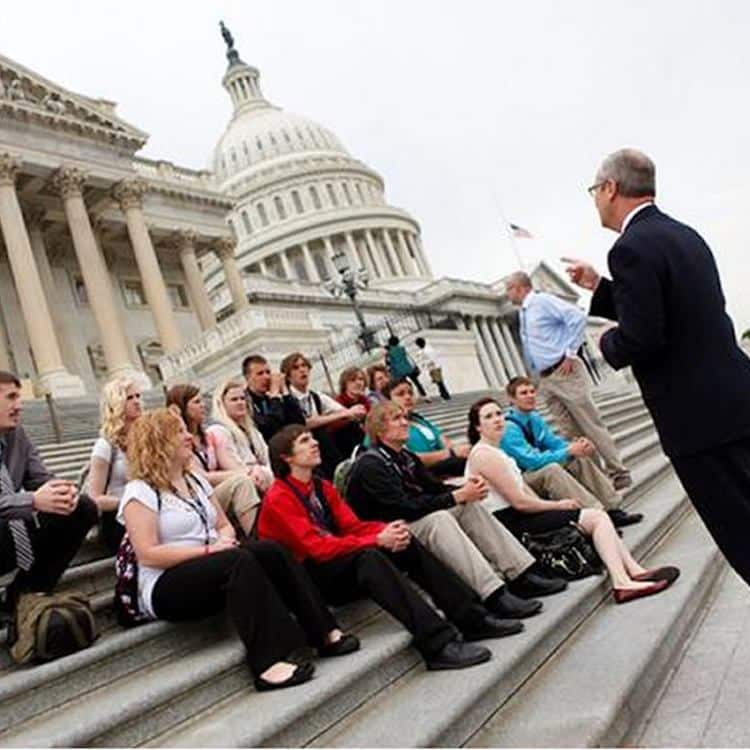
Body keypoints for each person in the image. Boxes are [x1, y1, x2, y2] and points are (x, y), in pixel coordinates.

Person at [563, 147, 750, 588]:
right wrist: (601, 288)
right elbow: (676, 306)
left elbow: (644, 336)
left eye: (594, 190)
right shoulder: (682, 234)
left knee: (742, 532)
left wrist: (600, 346)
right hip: (735, 398)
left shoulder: (628, 248)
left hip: (698, 421)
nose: (594, 200)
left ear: (610, 188)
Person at [118, 408, 359, 692]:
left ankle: (323, 631)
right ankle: (268, 663)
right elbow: (148, 553)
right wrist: (209, 551)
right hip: (164, 584)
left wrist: (222, 541)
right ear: (159, 440)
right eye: (179, 432)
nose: (188, 436)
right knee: (236, 561)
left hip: (211, 563)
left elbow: (224, 525)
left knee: (270, 550)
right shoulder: (140, 491)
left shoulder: (194, 480)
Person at [259, 424, 522, 671]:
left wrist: (386, 531)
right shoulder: (279, 497)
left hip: (336, 559)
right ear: (287, 457)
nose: (315, 443)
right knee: (369, 557)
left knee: (403, 540)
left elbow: (353, 526)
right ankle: (437, 644)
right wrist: (376, 540)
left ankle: (471, 618)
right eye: (305, 441)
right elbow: (317, 548)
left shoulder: (321, 486)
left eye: (312, 438)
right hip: (312, 579)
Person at [346, 402, 567, 620]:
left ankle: (521, 574)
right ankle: (492, 593)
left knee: (466, 506)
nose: (405, 422)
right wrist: (454, 496)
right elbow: (402, 508)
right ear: (379, 429)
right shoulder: (370, 464)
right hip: (388, 536)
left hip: (410, 521)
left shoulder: (406, 457)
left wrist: (465, 490)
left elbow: (434, 488)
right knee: (439, 518)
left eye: (405, 417)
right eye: (396, 419)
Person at [465, 397, 679, 604]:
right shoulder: (484, 454)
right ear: (478, 427)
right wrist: (557, 505)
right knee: (596, 518)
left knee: (597, 516)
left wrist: (554, 508)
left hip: (519, 515)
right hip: (508, 523)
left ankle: (636, 572)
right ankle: (622, 582)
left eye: (499, 414)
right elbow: (519, 502)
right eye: (488, 417)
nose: (497, 419)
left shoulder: (495, 451)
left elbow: (524, 493)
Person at [505, 270, 632, 490]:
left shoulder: (542, 301)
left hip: (565, 373)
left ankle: (618, 471)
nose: (507, 294)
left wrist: (571, 352)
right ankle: (598, 478)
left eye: (509, 289)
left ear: (520, 287)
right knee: (570, 433)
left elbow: (577, 316)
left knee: (589, 424)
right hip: (546, 379)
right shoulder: (525, 312)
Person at [0, 370, 97, 618]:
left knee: (82, 508)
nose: (19, 406)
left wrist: (64, 490)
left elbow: (39, 477)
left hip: (14, 531)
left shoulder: (17, 435)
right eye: (11, 397)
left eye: (19, 397)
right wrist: (33, 500)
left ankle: (24, 595)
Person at [502, 377, 642, 528]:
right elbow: (531, 461)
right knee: (552, 470)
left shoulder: (533, 417)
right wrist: (567, 451)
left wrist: (575, 447)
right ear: (512, 399)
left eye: (532, 391)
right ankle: (598, 517)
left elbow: (553, 442)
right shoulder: (508, 428)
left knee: (577, 457)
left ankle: (612, 509)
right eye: (523, 393)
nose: (530, 396)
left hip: (536, 468)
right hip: (522, 480)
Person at [166, 384, 261, 537]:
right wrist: (244, 474)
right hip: (198, 496)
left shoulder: (208, 435)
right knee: (242, 483)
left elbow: (227, 462)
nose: (203, 405)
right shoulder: (178, 441)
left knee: (257, 477)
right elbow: (201, 476)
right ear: (182, 407)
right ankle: (256, 535)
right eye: (196, 402)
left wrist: (252, 471)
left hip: (214, 490)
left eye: (202, 400)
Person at [281, 352, 365, 479]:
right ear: (287, 376)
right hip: (301, 449)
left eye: (304, 366)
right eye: (296, 368)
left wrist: (352, 412)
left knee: (350, 428)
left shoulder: (316, 396)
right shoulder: (286, 400)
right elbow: (304, 423)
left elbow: (345, 412)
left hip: (323, 448)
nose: (302, 370)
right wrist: (343, 414)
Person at [205, 379, 274, 531]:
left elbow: (268, 458)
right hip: (241, 480)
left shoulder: (252, 430)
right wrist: (256, 471)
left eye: (243, 398)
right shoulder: (217, 431)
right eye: (234, 399)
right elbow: (232, 465)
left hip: (262, 475)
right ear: (222, 404)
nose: (240, 403)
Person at [87, 376, 141, 553]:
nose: (137, 402)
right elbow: (93, 498)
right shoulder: (105, 445)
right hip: (119, 519)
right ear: (116, 404)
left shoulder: (146, 440)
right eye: (129, 398)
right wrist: (128, 502)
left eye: (138, 396)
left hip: (149, 512)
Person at [384, 377, 468, 479]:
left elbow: (442, 439)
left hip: (444, 465)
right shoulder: (388, 426)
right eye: (400, 394)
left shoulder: (418, 419)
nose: (407, 397)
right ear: (388, 400)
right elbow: (409, 459)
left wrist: (455, 451)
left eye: (410, 393)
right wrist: (450, 453)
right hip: (421, 474)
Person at [242, 354, 305, 442]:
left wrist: (285, 392)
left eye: (268, 372)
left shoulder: (271, 399)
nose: (266, 377)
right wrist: (275, 396)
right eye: (260, 374)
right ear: (247, 378)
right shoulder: (244, 402)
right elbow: (270, 429)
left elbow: (299, 423)